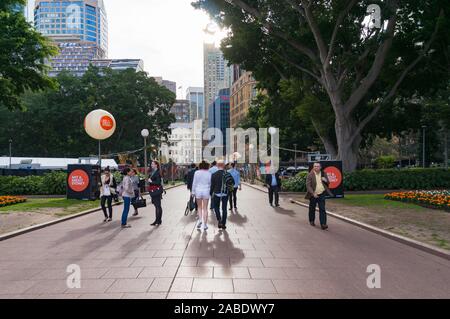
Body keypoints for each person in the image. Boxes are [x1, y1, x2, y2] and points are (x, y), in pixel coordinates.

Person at [305, 162, 333, 230]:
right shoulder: (310, 175)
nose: (316, 167)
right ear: (313, 167)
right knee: (312, 208)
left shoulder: (323, 173)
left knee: (322, 209)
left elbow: (328, 183)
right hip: (313, 194)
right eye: (315, 166)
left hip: (322, 193)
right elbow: (308, 185)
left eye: (317, 166)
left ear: (320, 167)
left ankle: (323, 224)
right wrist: (313, 193)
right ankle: (311, 220)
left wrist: (326, 180)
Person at [210, 160, 234, 230]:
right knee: (224, 209)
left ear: (217, 166)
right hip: (225, 193)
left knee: (216, 207)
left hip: (216, 193)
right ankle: (223, 223)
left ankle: (219, 219)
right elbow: (232, 183)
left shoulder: (214, 174)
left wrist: (211, 193)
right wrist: (230, 191)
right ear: (223, 166)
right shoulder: (227, 174)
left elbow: (212, 186)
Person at [192, 161, 212, 231]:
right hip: (206, 191)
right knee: (205, 208)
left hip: (198, 191)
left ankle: (200, 220)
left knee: (199, 207)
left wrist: (193, 192)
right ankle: (205, 225)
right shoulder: (209, 173)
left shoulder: (196, 172)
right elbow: (210, 183)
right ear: (207, 166)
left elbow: (194, 183)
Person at [149, 160, 164, 226]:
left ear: (156, 165)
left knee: (157, 206)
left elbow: (158, 182)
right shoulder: (154, 172)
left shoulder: (157, 172)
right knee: (157, 206)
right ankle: (158, 220)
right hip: (155, 191)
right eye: (151, 164)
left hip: (156, 191)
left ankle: (158, 220)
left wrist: (150, 181)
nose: (151, 165)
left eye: (152, 164)